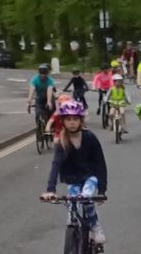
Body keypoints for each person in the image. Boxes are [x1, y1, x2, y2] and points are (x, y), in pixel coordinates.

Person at [41, 101, 108, 244]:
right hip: (72, 179)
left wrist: (102, 190)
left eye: (75, 119)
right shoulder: (62, 142)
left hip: (90, 176)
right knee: (72, 205)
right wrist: (50, 190)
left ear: (80, 121)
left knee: (86, 197)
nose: (72, 123)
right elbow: (55, 165)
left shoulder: (90, 138)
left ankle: (95, 227)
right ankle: (73, 244)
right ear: (63, 122)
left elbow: (100, 164)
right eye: (68, 119)